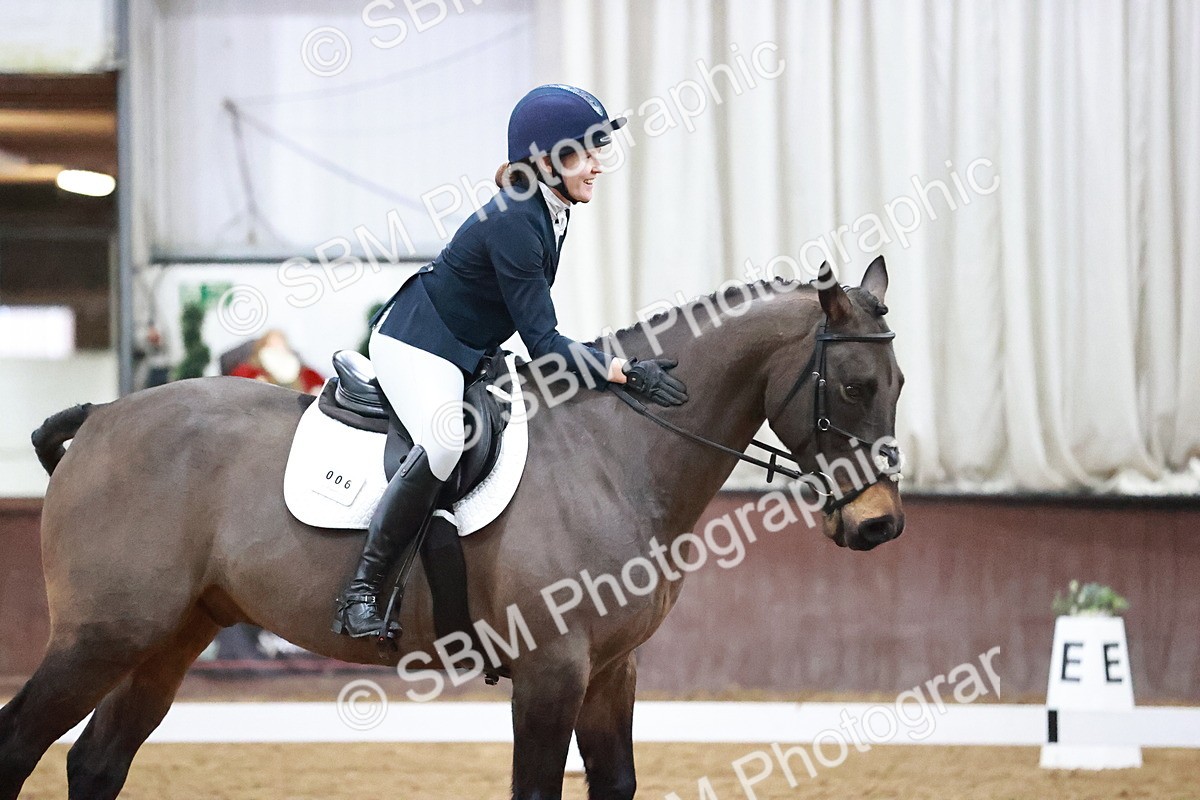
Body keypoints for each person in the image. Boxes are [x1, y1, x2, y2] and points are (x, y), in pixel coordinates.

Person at [331, 84, 689, 640]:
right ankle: (364, 589)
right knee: (447, 439)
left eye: (598, 151)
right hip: (418, 343)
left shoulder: (552, 206)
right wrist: (622, 370)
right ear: (543, 160)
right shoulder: (515, 221)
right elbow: (544, 343)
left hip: (471, 346)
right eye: (582, 153)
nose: (595, 166)